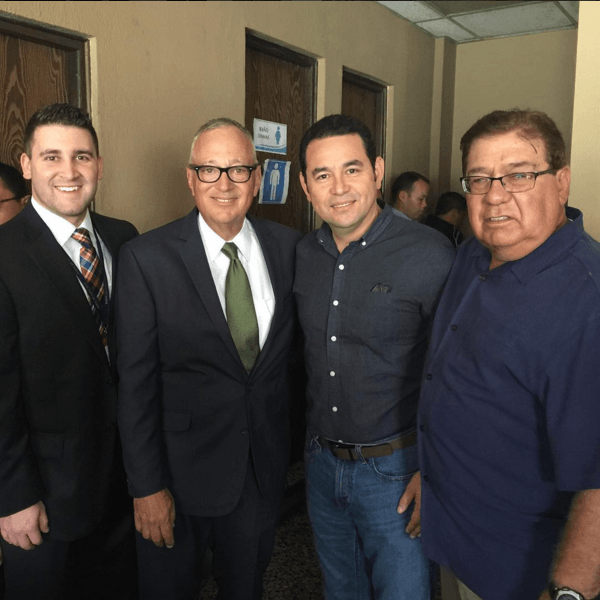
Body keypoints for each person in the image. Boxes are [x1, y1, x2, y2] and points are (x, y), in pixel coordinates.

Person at [116, 117, 302, 600]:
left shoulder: (288, 248)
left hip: (258, 474)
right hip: (177, 480)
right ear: (190, 178)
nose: (224, 184)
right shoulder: (146, 258)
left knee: (247, 588)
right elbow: (134, 385)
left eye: (238, 169)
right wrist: (146, 487)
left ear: (256, 179)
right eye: (209, 170)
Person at [419, 109, 600, 600]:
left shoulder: (587, 300)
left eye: (519, 175)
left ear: (561, 182)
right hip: (453, 535)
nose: (495, 195)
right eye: (479, 179)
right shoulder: (473, 253)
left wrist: (568, 591)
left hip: (524, 571)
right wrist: (428, 474)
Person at [294, 114, 454, 599]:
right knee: (341, 590)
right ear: (305, 186)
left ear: (378, 171)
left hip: (398, 472)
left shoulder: (430, 254)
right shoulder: (303, 254)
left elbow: (456, 374)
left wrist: (436, 473)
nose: (339, 188)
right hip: (321, 464)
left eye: (352, 169)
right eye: (323, 175)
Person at [0, 103, 138, 600]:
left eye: (81, 156)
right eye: (52, 156)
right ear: (26, 165)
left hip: (123, 485)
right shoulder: (4, 253)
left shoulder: (125, 239)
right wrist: (12, 496)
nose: (69, 171)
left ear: (98, 165)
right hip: (44, 498)